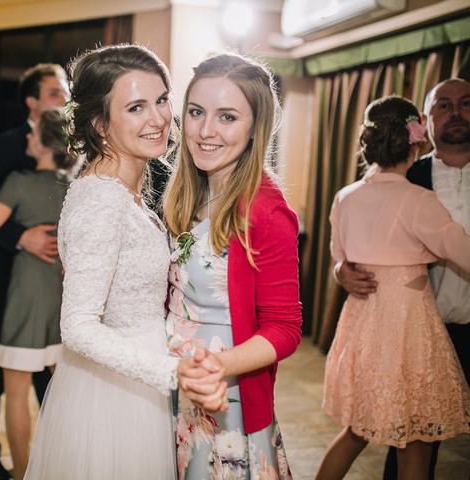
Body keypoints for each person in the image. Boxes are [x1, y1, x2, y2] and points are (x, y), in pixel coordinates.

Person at [24, 44, 226, 480]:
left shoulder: (124, 190)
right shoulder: (100, 201)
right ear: (101, 124)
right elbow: (78, 326)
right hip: (114, 400)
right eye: (136, 108)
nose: (158, 119)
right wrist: (172, 370)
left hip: (138, 381)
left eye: (161, 100)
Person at [317, 95, 470, 480]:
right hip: (408, 328)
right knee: (415, 439)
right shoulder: (420, 201)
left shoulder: (345, 197)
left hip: (364, 326)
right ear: (416, 142)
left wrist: (344, 270)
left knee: (356, 431)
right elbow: (462, 252)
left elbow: (340, 256)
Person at [163, 53, 301, 480]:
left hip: (225, 394)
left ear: (256, 127)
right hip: (175, 386)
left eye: (227, 117)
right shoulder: (189, 193)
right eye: (196, 112)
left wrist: (216, 367)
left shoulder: (266, 211)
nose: (206, 131)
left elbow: (285, 328)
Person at [0, 63, 69, 480]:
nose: (63, 98)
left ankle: (44, 465)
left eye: (64, 92)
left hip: (39, 284)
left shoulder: (58, 163)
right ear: (32, 101)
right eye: (55, 92)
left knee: (43, 385)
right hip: (0, 278)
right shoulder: (3, 145)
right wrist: (22, 236)